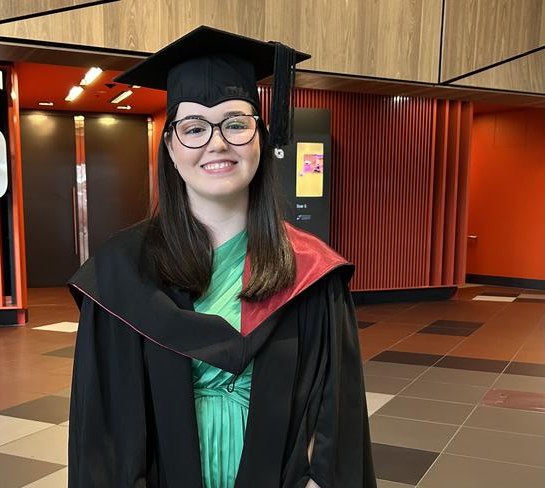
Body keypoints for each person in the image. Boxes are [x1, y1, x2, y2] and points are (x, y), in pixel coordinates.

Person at [67, 25, 376, 488]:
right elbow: (103, 423)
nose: (216, 142)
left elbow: (338, 410)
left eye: (235, 123)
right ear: (170, 148)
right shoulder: (122, 271)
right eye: (193, 128)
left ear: (259, 139)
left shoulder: (311, 269)